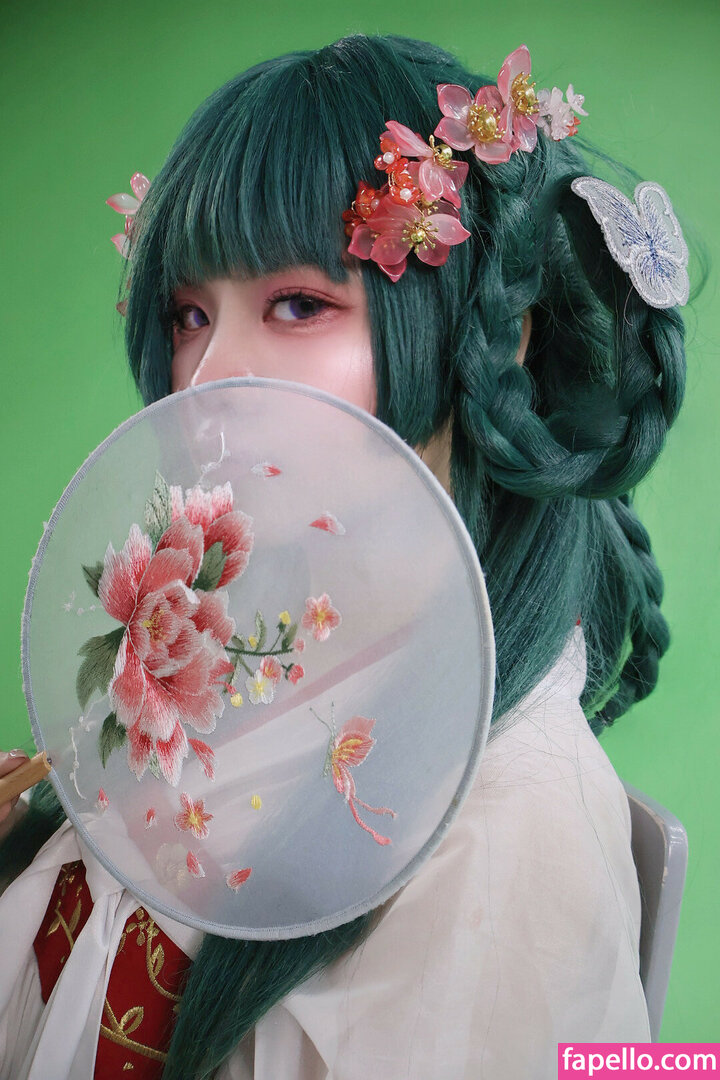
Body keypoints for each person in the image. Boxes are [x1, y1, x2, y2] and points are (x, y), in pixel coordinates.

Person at [0, 33, 688, 1079]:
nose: (208, 378)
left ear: (493, 337)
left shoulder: (509, 845)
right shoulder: (249, 654)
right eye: (190, 315)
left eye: (299, 305)